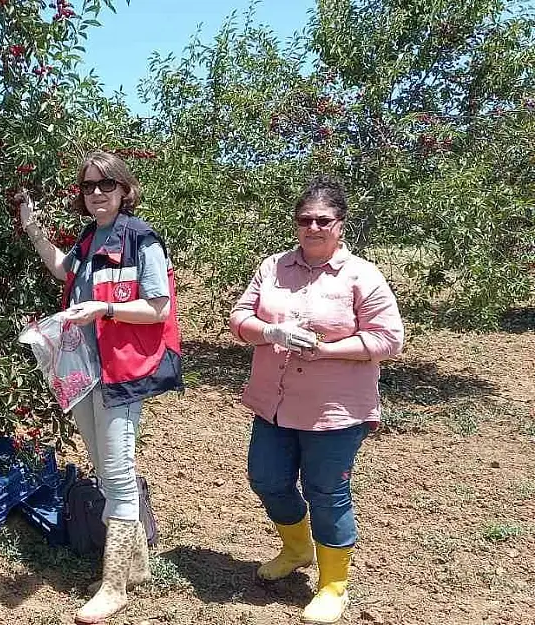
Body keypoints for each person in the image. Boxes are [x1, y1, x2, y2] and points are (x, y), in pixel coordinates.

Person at [228, 176, 404, 624]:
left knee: (327, 493)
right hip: (275, 403)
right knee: (267, 478)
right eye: (305, 219)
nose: (313, 227)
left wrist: (328, 350)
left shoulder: (362, 275)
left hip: (335, 409)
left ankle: (333, 585)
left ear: (340, 224)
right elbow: (240, 318)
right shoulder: (274, 267)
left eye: (323, 220)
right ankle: (297, 548)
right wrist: (270, 331)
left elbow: (388, 339)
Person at [17, 151, 182, 624]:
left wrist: (103, 310)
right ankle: (137, 569)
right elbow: (63, 272)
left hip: (122, 371)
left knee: (118, 471)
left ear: (124, 190)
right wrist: (33, 228)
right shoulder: (91, 238)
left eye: (105, 185)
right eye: (88, 186)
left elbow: (158, 308)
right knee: (107, 470)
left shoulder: (142, 238)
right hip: (87, 368)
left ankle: (113, 588)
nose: (95, 194)